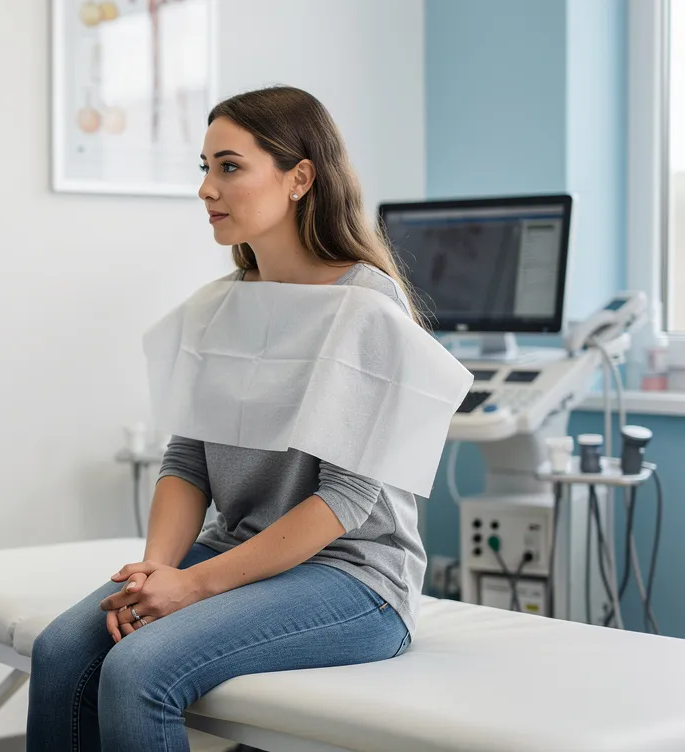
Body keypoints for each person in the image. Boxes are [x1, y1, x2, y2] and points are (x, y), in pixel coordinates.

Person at [26, 86, 430, 750]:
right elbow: (187, 464)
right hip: (235, 549)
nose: (207, 188)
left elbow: (346, 500)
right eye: (205, 168)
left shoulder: (367, 306)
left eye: (230, 166)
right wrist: (156, 570)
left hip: (354, 576)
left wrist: (192, 587)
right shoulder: (220, 308)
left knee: (138, 669)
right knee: (61, 652)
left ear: (300, 177)